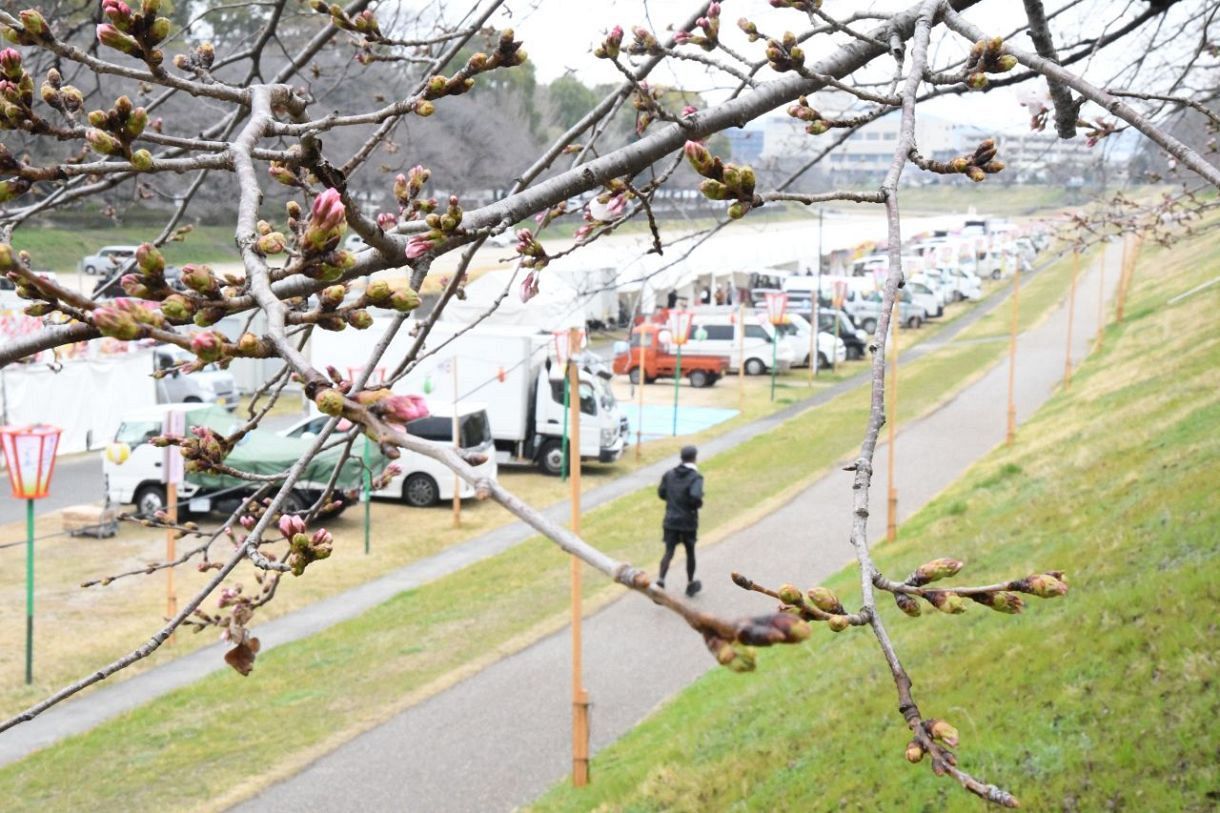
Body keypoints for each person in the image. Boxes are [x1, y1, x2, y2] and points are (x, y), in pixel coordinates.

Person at [657, 445, 704, 596]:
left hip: (670, 519)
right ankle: (690, 583)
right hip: (688, 522)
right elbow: (695, 496)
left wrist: (673, 501)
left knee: (669, 551)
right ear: (695, 457)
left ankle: (661, 580)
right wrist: (697, 504)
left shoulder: (669, 474)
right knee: (690, 552)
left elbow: (661, 492)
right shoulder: (696, 477)